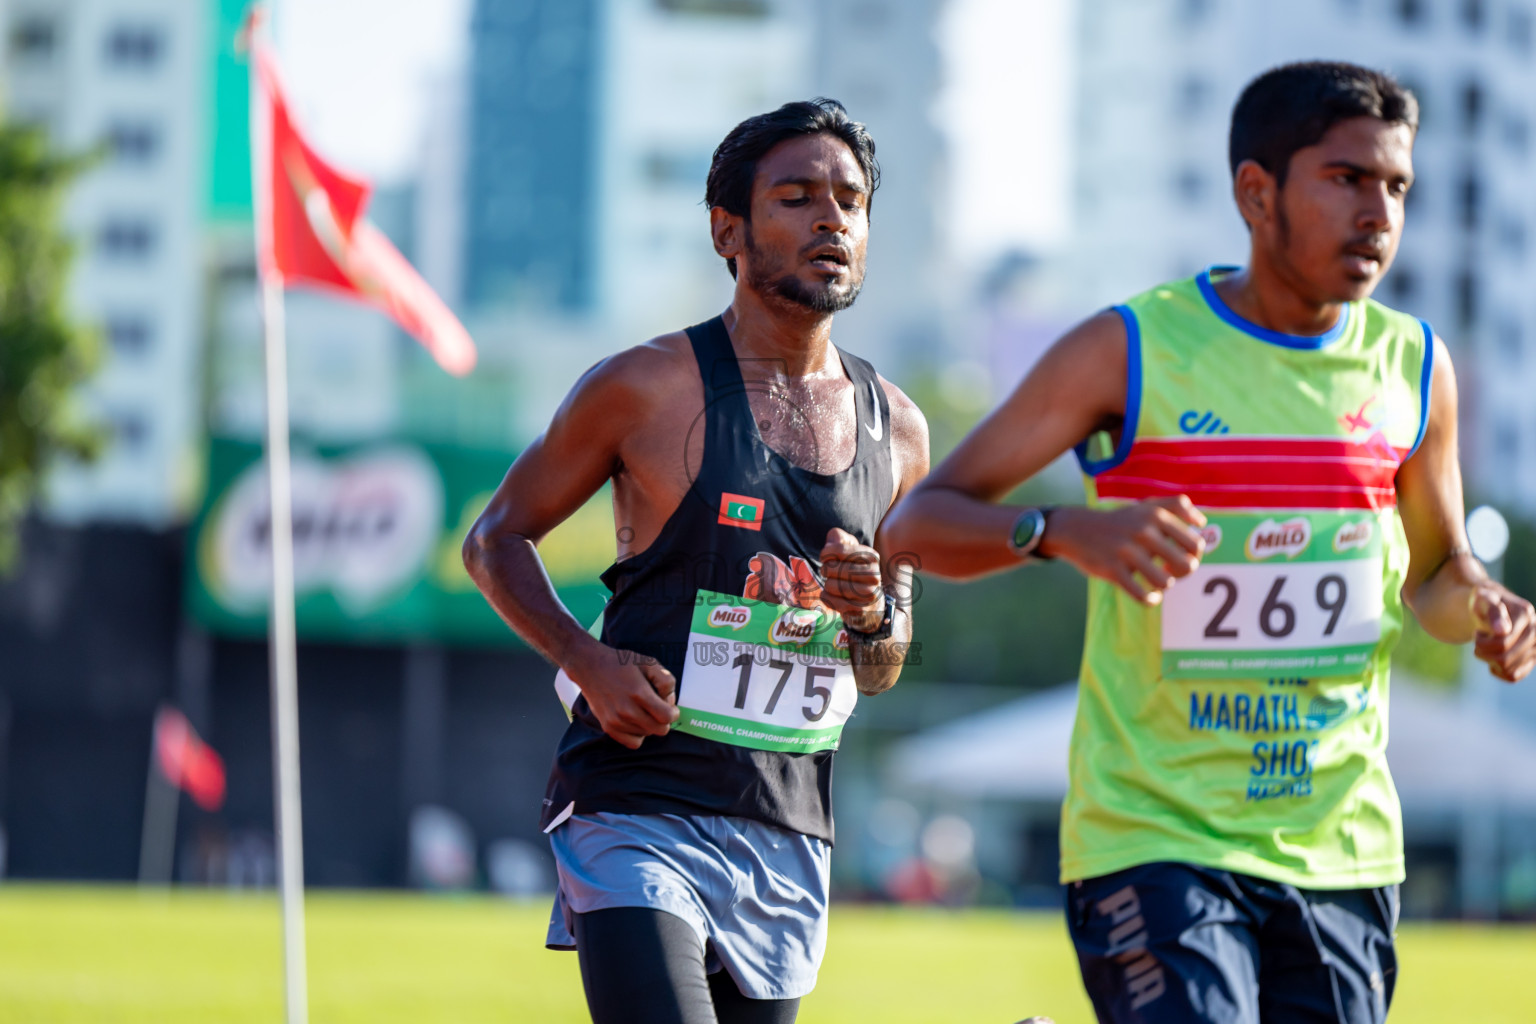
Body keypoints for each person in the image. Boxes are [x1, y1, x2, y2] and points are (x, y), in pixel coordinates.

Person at [883, 62, 1536, 1024]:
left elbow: (1434, 573)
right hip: (1155, 829)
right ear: (1255, 192)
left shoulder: (1415, 368)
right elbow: (916, 525)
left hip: (1339, 841)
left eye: (1397, 186)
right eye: (1347, 178)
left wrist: (1482, 602)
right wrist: (1061, 531)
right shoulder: (1130, 350)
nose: (1379, 213)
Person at [463, 98, 928, 1024]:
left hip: (789, 826)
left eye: (851, 200)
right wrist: (584, 660)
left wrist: (873, 613)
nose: (831, 218)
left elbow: (880, 668)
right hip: (637, 808)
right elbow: (494, 541)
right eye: (796, 197)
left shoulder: (900, 431)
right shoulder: (645, 387)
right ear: (729, 228)